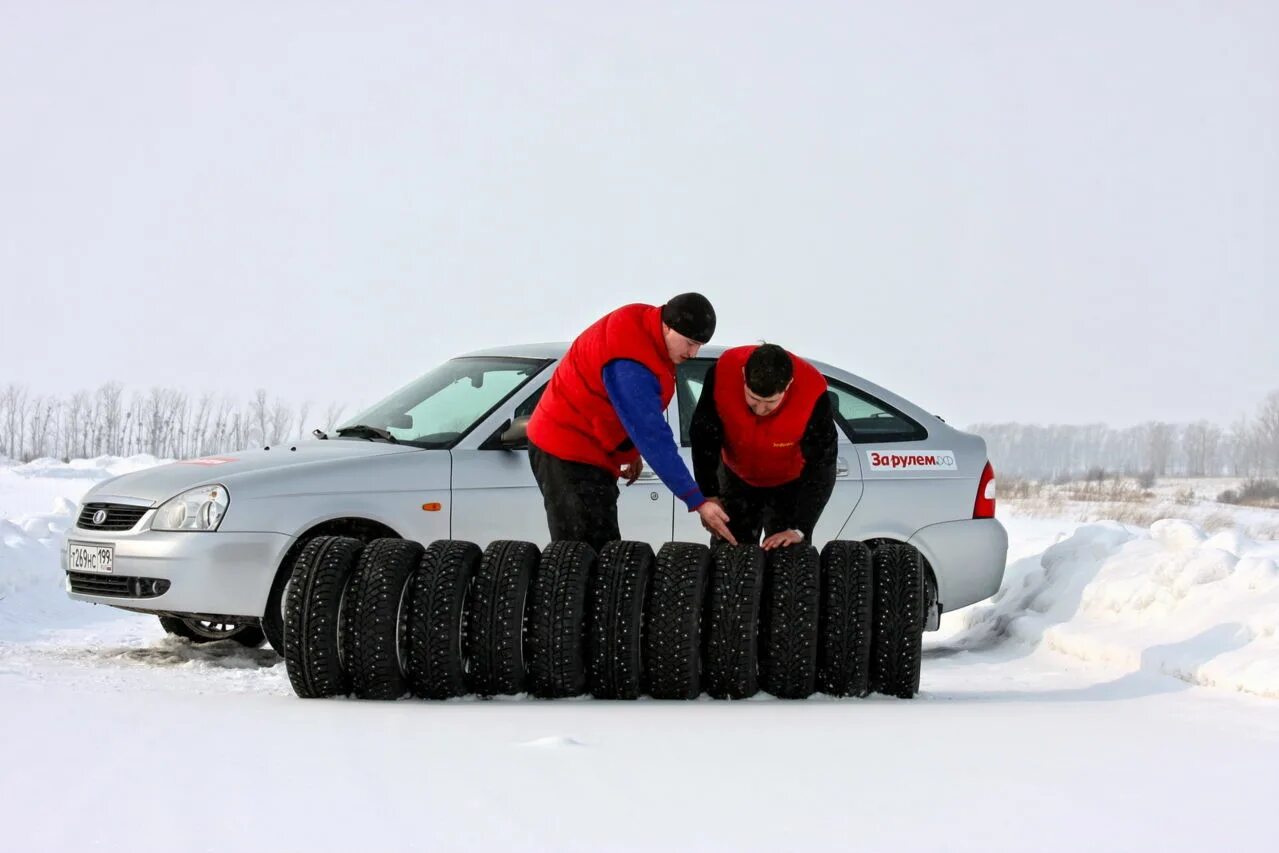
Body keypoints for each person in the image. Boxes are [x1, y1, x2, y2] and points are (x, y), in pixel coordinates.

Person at [527, 293, 736, 554]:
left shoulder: (644, 323)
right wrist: (697, 501)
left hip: (589, 446)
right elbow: (653, 435)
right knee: (582, 555)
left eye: (700, 346)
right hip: (566, 449)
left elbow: (623, 407)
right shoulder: (631, 360)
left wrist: (628, 449)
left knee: (604, 552)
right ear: (668, 326)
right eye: (690, 343)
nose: (693, 353)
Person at [690, 343, 838, 549]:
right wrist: (709, 495)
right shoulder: (721, 373)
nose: (760, 409)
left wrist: (800, 527)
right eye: (753, 400)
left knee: (788, 556)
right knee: (730, 553)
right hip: (735, 478)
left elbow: (823, 463)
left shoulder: (813, 393)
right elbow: (703, 436)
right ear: (743, 375)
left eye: (770, 403)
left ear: (788, 385)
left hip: (790, 484)